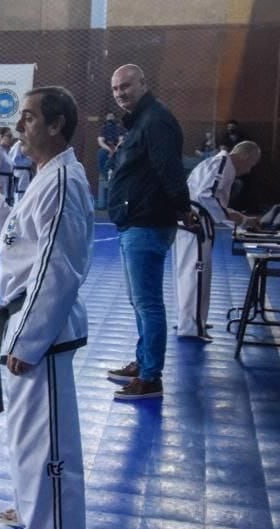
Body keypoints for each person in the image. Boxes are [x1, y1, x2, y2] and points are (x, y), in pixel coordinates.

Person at [0, 85, 91, 529]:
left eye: (28, 117)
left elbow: (57, 268)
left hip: (39, 326)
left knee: (46, 438)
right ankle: (31, 510)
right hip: (24, 317)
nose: (19, 126)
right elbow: (22, 245)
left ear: (56, 124)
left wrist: (26, 339)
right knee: (26, 432)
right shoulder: (45, 175)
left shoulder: (63, 180)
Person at [105, 64, 196, 401]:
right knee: (140, 301)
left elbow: (169, 168)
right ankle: (143, 361)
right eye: (115, 89)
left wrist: (183, 208)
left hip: (147, 222)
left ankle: (150, 377)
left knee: (148, 304)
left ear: (144, 83)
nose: (120, 93)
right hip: (136, 221)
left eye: (126, 86)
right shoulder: (143, 121)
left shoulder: (156, 120)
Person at [174, 141, 261, 341]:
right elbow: (207, 196)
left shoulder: (219, 164)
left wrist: (241, 219)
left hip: (194, 223)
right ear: (245, 156)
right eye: (252, 164)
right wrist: (229, 218)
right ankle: (192, 326)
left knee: (191, 274)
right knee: (195, 275)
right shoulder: (222, 164)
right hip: (196, 224)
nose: (249, 170)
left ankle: (191, 319)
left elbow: (212, 201)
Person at [97, 112, 121, 180]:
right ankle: (105, 176)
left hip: (117, 148)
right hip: (106, 148)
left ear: (114, 117)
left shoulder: (118, 127)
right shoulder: (104, 128)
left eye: (111, 116)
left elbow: (121, 139)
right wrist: (109, 149)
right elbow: (100, 141)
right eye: (108, 116)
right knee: (101, 153)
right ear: (106, 118)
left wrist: (116, 148)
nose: (110, 117)